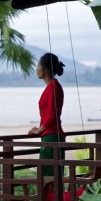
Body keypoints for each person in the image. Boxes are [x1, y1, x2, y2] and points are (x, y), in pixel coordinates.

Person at [28, 53, 65, 181]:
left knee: (49, 174)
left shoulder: (54, 87)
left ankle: (50, 200)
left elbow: (51, 113)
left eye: (38, 65)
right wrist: (40, 129)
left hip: (52, 136)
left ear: (46, 69)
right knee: (49, 172)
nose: (36, 69)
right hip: (49, 135)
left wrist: (39, 130)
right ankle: (50, 200)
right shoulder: (52, 87)